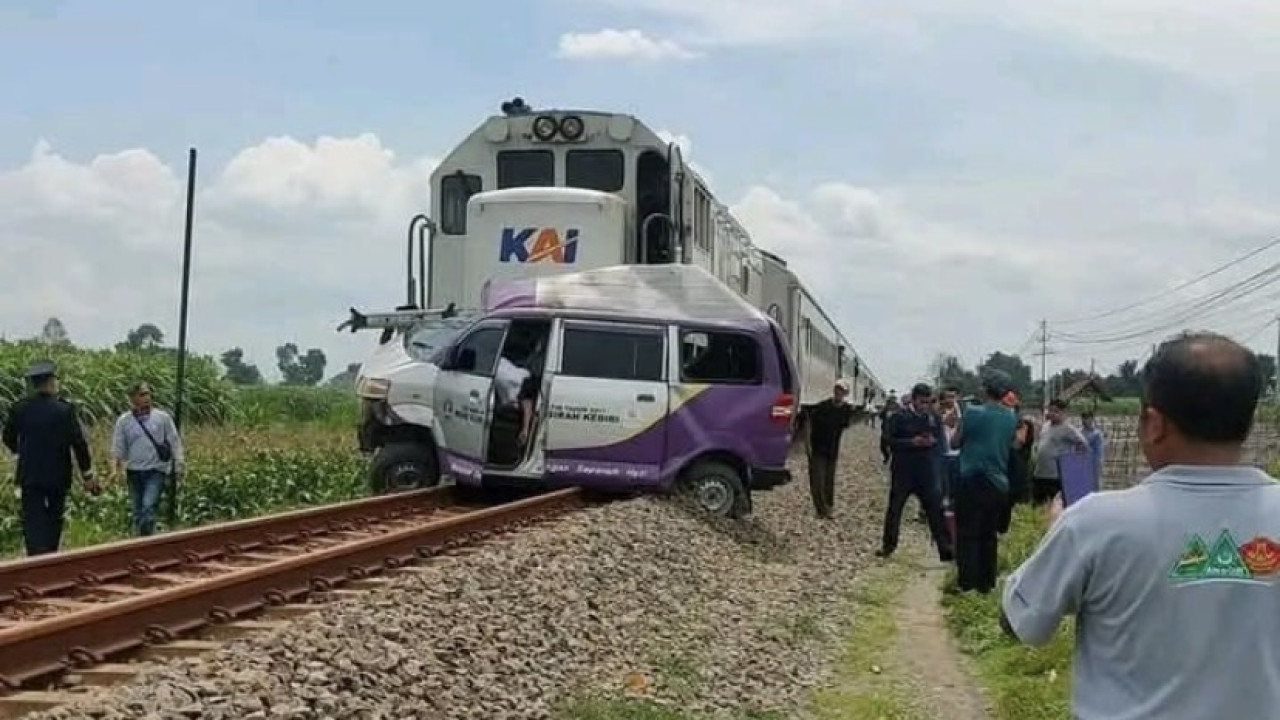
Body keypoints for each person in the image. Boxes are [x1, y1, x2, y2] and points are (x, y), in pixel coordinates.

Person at [1000, 332, 1280, 719]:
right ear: (1248, 423)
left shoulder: (1095, 522)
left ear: (1153, 423)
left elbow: (1020, 624)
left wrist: (1055, 538)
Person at [2, 361, 98, 555]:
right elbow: (79, 444)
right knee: (54, 517)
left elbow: (8, 437)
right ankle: (50, 555)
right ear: (51, 382)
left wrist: (21, 452)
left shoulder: (20, 408)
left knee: (32, 517)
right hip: (58, 474)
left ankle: (35, 557)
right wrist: (87, 475)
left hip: (30, 474)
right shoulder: (65, 410)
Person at [949, 371, 1018, 592]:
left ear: (986, 389)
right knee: (989, 536)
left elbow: (954, 443)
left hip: (971, 480)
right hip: (998, 484)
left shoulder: (972, 412)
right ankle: (986, 584)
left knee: (967, 534)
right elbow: (1012, 445)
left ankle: (967, 584)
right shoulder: (1011, 417)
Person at [877, 383, 952, 561]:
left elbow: (940, 442)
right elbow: (889, 440)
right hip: (903, 471)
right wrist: (912, 442)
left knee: (936, 510)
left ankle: (946, 549)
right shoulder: (898, 417)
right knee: (895, 510)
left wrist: (932, 444)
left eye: (928, 402)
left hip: (926, 472)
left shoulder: (933, 417)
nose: (924, 406)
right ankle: (888, 546)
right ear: (913, 398)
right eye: (921, 402)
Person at [111, 382, 184, 537]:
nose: (146, 398)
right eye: (142, 395)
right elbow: (118, 447)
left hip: (155, 470)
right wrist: (115, 469)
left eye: (147, 394)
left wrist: (178, 465)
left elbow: (174, 441)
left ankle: (145, 538)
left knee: (148, 506)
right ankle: (141, 541)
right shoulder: (124, 421)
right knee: (138, 510)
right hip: (134, 471)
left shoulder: (162, 418)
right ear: (133, 398)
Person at [798, 380, 856, 519]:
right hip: (817, 449)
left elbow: (845, 425)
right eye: (837, 389)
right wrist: (807, 445)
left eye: (841, 390)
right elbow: (807, 419)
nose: (838, 392)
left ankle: (829, 507)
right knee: (817, 481)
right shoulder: (822, 407)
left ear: (845, 393)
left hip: (832, 450)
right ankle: (821, 510)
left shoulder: (846, 410)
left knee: (829, 481)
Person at [1030, 399, 1087, 505]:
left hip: (1056, 476)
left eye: (1056, 411)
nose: (1052, 414)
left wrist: (1071, 461)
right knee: (1037, 506)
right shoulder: (1046, 426)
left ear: (1063, 413)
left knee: (1055, 507)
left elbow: (1083, 444)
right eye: (1050, 410)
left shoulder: (1068, 429)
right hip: (1040, 474)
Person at [1080, 411, 1105, 483]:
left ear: (1092, 419)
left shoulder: (1097, 434)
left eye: (1087, 418)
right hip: (1082, 463)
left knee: (1094, 484)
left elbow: (1099, 452)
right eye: (1083, 418)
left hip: (1093, 463)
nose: (1084, 421)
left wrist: (1099, 464)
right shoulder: (1079, 433)